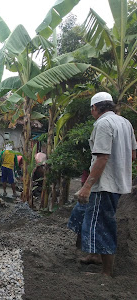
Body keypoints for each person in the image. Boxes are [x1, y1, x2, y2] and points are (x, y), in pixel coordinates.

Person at [68, 92, 136, 277]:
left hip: (104, 185)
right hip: (116, 182)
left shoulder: (103, 124)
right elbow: (132, 155)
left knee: (103, 224)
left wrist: (87, 186)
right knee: (81, 215)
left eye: (92, 109)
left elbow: (102, 157)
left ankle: (106, 273)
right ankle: (94, 254)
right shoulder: (125, 123)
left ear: (95, 108)